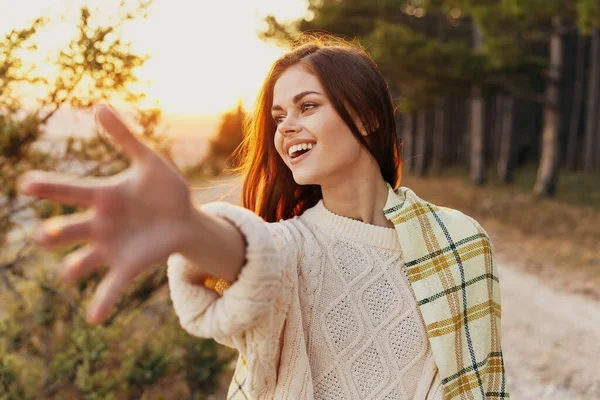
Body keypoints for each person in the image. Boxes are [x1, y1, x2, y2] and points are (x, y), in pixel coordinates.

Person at [17, 36, 509, 399]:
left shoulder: (461, 240)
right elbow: (249, 256)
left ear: (366, 116)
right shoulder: (287, 247)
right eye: (277, 117)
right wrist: (189, 226)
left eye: (307, 106)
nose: (286, 126)